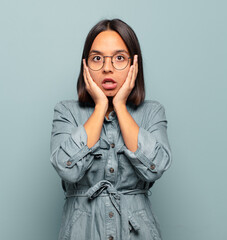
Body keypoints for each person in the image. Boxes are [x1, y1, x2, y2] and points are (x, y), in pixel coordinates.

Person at [50, 18, 172, 240]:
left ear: (134, 64)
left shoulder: (152, 112)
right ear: (85, 65)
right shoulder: (65, 111)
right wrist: (99, 108)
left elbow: (155, 168)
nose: (107, 68)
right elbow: (67, 169)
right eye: (97, 58)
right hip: (81, 232)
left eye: (119, 58)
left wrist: (120, 106)